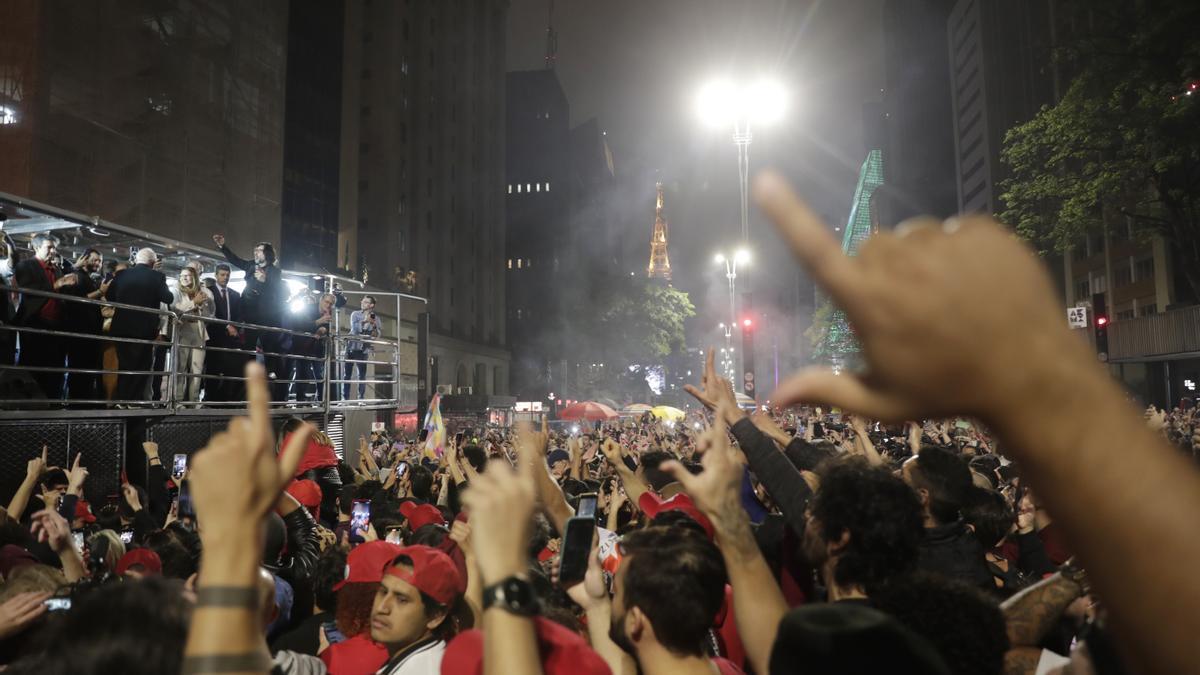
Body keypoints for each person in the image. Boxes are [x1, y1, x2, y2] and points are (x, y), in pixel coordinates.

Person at [900, 445, 994, 589]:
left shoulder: (950, 573)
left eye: (901, 476)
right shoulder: (959, 541)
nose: (892, 477)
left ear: (921, 496)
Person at [213, 234, 287, 399]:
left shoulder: (275, 272)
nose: (256, 253)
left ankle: (271, 391)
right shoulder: (251, 265)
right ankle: (243, 390)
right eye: (255, 250)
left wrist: (265, 280)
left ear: (267, 253)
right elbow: (235, 260)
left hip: (267, 318)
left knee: (269, 353)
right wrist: (222, 247)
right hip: (249, 315)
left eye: (259, 251)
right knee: (247, 352)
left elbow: (278, 294)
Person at [13, 233, 77, 399]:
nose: (53, 251)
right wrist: (58, 283)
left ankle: (53, 406)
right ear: (36, 248)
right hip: (35, 326)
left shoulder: (56, 269)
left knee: (54, 372)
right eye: (49, 247)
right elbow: (30, 290)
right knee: (34, 371)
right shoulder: (25, 266)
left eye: (54, 247)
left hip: (56, 327)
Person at [106, 248, 172, 404]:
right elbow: (168, 298)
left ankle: (122, 399)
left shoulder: (121, 274)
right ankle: (133, 401)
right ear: (153, 262)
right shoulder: (157, 276)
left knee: (124, 366)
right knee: (141, 367)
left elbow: (110, 296)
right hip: (144, 330)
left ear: (137, 260)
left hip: (121, 327)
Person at [61, 248, 107, 403]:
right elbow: (78, 300)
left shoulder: (88, 277)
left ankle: (82, 403)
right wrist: (100, 292)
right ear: (85, 259)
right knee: (80, 372)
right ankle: (77, 404)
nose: (98, 263)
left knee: (86, 372)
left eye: (100, 261)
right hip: (80, 331)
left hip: (90, 331)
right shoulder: (78, 276)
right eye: (94, 260)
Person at [170, 266, 215, 403]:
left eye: (188, 275)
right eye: (182, 275)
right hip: (182, 329)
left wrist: (203, 306)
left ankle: (193, 401)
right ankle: (176, 401)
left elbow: (211, 314)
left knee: (197, 369)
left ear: (194, 277)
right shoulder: (175, 291)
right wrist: (193, 303)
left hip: (199, 330)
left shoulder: (203, 292)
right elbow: (174, 309)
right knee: (180, 367)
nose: (184, 277)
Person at [204, 263, 243, 401]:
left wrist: (234, 328)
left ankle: (225, 399)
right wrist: (227, 326)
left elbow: (239, 315)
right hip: (214, 334)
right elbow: (209, 314)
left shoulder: (235, 294)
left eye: (227, 275)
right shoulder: (208, 291)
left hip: (231, 337)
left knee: (229, 368)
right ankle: (209, 399)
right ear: (216, 275)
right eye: (222, 274)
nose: (225, 277)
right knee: (212, 368)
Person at [343, 295, 380, 400]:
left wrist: (374, 326)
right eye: (362, 301)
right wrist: (364, 321)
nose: (362, 303)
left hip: (363, 349)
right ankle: (345, 398)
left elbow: (376, 335)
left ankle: (361, 398)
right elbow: (354, 329)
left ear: (371, 305)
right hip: (351, 346)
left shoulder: (376, 318)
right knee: (347, 374)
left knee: (362, 375)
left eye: (366, 302)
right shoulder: (355, 314)